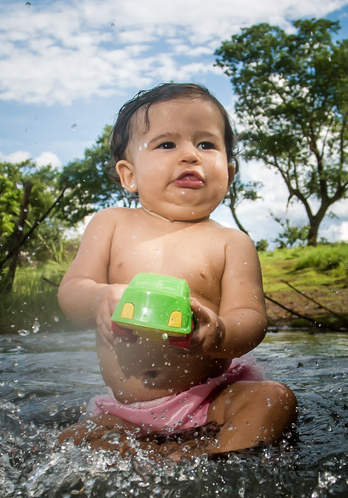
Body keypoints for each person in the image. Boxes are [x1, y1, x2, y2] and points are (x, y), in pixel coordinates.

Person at [57, 83, 296, 458]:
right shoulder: (111, 223)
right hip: (126, 413)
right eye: (167, 145)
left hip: (210, 401)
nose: (190, 155)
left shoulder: (232, 242)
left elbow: (251, 319)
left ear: (229, 173)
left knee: (273, 400)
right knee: (64, 442)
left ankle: (208, 459)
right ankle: (168, 460)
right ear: (129, 175)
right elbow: (71, 290)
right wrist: (99, 297)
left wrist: (217, 332)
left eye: (206, 144)